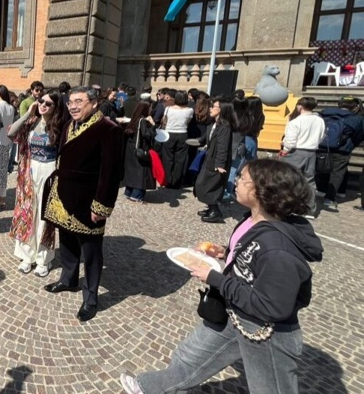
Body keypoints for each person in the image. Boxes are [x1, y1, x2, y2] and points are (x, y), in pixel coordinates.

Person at [121, 159, 323, 394]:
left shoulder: (279, 249)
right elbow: (250, 259)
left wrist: (215, 278)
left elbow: (271, 306)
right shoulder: (252, 219)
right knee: (189, 356)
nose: (236, 181)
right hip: (235, 311)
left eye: (243, 178)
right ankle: (148, 388)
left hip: (266, 332)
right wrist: (224, 253)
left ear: (263, 190)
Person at [41, 86, 123, 322]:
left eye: (79, 101)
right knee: (66, 240)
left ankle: (91, 298)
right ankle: (68, 279)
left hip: (88, 200)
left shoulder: (109, 129)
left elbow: (111, 172)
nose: (73, 106)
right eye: (70, 102)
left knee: (91, 251)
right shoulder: (70, 124)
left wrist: (102, 205)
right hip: (64, 195)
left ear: (94, 103)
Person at [8, 89, 64, 277]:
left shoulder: (60, 125)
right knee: (27, 212)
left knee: (44, 215)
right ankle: (26, 255)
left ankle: (43, 258)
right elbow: (12, 132)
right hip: (29, 171)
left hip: (49, 171)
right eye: (41, 101)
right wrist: (28, 112)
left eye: (48, 103)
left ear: (55, 107)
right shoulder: (32, 122)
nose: (43, 105)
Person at [279, 97, 325, 218]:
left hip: (296, 151)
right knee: (309, 180)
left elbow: (290, 140)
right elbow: (322, 136)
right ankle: (310, 208)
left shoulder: (296, 122)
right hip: (312, 151)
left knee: (289, 179)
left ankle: (287, 206)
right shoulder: (319, 120)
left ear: (300, 106)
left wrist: (285, 150)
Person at [319, 96, 364, 210]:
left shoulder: (325, 113)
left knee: (322, 167)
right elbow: (359, 135)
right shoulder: (356, 119)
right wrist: (352, 144)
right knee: (337, 173)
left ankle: (321, 189)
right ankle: (330, 198)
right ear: (355, 107)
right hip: (343, 149)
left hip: (323, 146)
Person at [195, 98, 234, 223]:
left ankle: (215, 211)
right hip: (210, 158)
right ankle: (210, 207)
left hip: (217, 161)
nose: (211, 108)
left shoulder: (224, 127)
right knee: (202, 184)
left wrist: (220, 164)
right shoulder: (214, 123)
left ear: (222, 110)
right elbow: (209, 138)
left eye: (214, 106)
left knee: (210, 186)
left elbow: (223, 146)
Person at [123, 101, 157, 203]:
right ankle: (137, 195)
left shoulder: (134, 119)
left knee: (132, 171)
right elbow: (147, 135)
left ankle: (129, 192)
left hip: (131, 148)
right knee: (141, 172)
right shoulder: (142, 120)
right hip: (140, 149)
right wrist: (153, 126)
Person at [160, 91, 194, 189]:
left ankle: (168, 180)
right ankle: (176, 182)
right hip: (183, 133)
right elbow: (188, 122)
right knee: (180, 159)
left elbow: (164, 121)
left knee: (167, 157)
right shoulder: (190, 110)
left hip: (169, 133)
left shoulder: (168, 109)